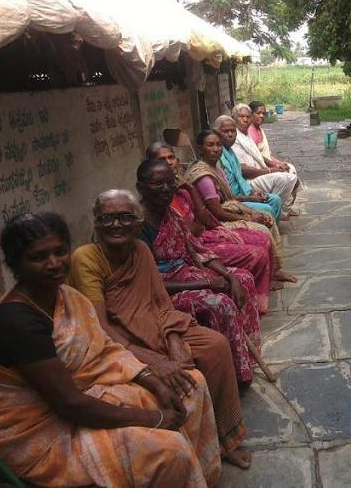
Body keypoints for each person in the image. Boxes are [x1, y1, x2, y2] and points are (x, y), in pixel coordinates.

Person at [0, 212, 221, 486]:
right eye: (38, 257)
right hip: (43, 435)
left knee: (190, 385)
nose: (54, 264)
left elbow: (107, 350)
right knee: (168, 451)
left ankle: (193, 478)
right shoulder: (16, 322)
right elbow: (70, 404)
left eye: (60, 252)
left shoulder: (67, 297)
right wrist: (155, 418)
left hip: (86, 395)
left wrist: (155, 383)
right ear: (16, 264)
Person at [69, 191, 253, 469]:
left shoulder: (141, 250)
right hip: (120, 339)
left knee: (215, 345)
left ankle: (225, 439)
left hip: (157, 325)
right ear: (96, 223)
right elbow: (101, 326)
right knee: (185, 376)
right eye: (107, 218)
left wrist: (174, 339)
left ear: (137, 223)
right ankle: (192, 448)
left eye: (124, 217)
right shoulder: (86, 258)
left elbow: (160, 303)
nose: (116, 225)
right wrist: (153, 359)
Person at [135, 159, 263, 386]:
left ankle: (246, 356)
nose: (165, 189)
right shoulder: (138, 227)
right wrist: (207, 284)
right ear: (141, 187)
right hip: (164, 290)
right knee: (219, 303)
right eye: (157, 184)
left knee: (243, 278)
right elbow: (148, 283)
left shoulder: (171, 215)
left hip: (186, 272)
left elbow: (198, 250)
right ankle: (232, 371)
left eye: (169, 183)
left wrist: (228, 276)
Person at [147, 141, 274, 312]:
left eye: (171, 158)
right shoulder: (159, 203)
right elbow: (194, 228)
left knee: (261, 240)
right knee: (255, 253)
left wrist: (191, 190)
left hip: (200, 242)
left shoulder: (182, 189)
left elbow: (204, 219)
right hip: (189, 254)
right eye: (162, 159)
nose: (169, 162)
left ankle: (258, 297)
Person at [184, 130, 296, 284]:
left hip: (227, 209)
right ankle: (267, 277)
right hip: (213, 223)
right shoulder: (204, 176)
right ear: (199, 148)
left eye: (218, 145)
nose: (216, 149)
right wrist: (247, 217)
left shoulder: (215, 168)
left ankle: (274, 271)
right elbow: (217, 212)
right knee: (261, 226)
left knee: (266, 215)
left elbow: (228, 197)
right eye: (210, 145)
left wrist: (250, 199)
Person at [231, 103, 299, 218]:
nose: (245, 120)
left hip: (259, 171)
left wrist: (275, 164)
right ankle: (277, 210)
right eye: (241, 117)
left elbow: (259, 156)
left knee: (290, 169)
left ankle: (281, 208)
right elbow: (244, 171)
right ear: (234, 118)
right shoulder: (234, 137)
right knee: (288, 178)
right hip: (249, 180)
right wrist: (272, 170)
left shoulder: (246, 134)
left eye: (247, 117)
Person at [212, 115, 282, 221]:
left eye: (233, 131)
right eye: (225, 131)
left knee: (275, 200)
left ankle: (272, 232)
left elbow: (240, 179)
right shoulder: (216, 156)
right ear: (217, 133)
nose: (230, 134)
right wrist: (250, 198)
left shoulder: (231, 152)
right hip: (230, 201)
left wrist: (253, 192)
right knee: (266, 209)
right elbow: (224, 195)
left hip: (243, 194)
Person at [247, 100, 302, 193]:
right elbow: (258, 156)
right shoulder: (250, 131)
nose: (261, 116)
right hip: (261, 168)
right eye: (258, 113)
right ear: (251, 114)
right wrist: (276, 166)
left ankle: (288, 202)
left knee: (290, 168)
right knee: (288, 177)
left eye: (263, 113)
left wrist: (279, 162)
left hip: (269, 164)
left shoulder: (259, 129)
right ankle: (283, 203)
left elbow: (268, 154)